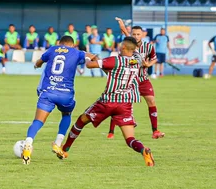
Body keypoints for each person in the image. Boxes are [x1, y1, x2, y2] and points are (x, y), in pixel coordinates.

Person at [53, 37, 156, 167]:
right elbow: (112, 71)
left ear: (123, 47)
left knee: (81, 120)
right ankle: (143, 150)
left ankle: (65, 149)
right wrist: (100, 62)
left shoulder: (115, 60)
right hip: (125, 104)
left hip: (108, 101)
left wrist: (89, 57)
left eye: (121, 45)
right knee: (130, 138)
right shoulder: (136, 61)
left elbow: (90, 65)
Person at [21, 35, 96, 165]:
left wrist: (36, 65)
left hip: (48, 92)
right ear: (72, 44)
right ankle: (57, 143)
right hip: (65, 94)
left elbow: (39, 62)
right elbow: (92, 56)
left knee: (38, 121)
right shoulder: (77, 52)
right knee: (66, 114)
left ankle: (28, 144)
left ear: (59, 43)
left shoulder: (52, 49)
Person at [110, 18, 165, 140]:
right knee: (119, 102)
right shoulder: (128, 46)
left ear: (143, 35)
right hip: (129, 79)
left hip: (143, 79)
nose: (136, 36)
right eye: (133, 34)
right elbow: (124, 32)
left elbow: (154, 59)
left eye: (138, 34)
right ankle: (111, 131)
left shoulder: (148, 47)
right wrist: (122, 25)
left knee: (151, 101)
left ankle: (155, 131)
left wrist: (148, 65)